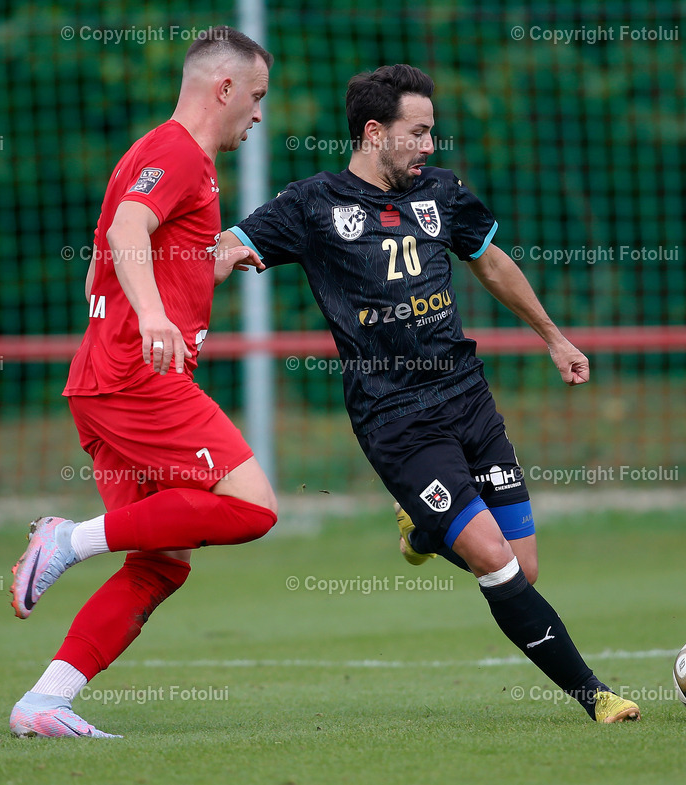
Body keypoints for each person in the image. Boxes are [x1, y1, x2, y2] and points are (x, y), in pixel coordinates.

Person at [219, 64, 640, 723]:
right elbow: (229, 245)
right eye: (418, 133)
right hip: (396, 420)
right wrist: (173, 286)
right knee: (493, 558)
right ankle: (595, 694)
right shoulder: (313, 205)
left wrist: (554, 337)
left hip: (468, 398)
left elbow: (491, 261)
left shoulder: (440, 193)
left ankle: (420, 524)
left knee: (521, 568)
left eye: (432, 133)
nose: (429, 146)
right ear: (374, 132)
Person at [6, 26, 277, 738]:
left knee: (162, 565)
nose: (257, 114)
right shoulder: (177, 151)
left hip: (103, 380)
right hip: (136, 376)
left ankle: (43, 702)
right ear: (223, 89)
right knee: (254, 506)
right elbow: (128, 229)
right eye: (255, 98)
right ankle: (67, 540)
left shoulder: (160, 155)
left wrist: (203, 265)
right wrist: (155, 316)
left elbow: (125, 253)